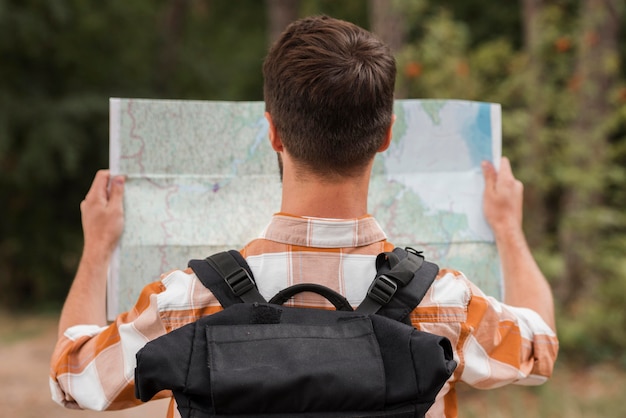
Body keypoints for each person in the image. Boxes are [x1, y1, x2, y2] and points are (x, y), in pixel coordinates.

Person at [50, 15, 558, 418]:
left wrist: (97, 249)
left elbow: (71, 379)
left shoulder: (187, 302)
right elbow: (539, 348)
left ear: (273, 134)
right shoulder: (442, 304)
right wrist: (509, 230)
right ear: (386, 136)